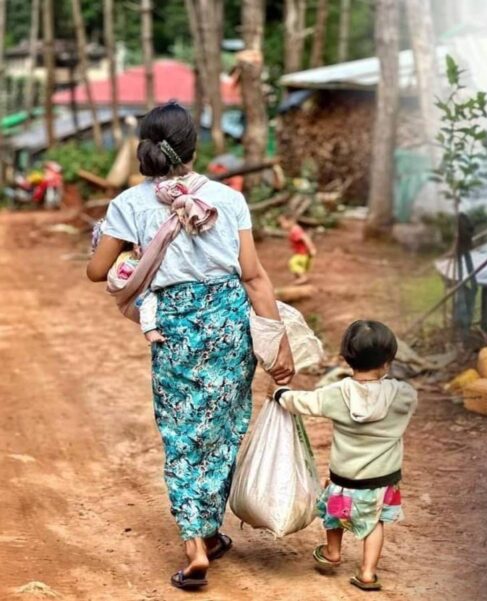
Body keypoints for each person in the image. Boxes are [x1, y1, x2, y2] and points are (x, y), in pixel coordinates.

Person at [86, 102, 295, 591]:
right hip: (229, 324)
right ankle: (208, 529)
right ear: (193, 147)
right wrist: (277, 343)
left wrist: (112, 242)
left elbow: (98, 272)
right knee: (223, 430)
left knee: (181, 433)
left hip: (175, 328)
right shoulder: (228, 198)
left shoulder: (129, 205)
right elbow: (254, 277)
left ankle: (195, 543)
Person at [273, 320, 417, 591]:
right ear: (388, 360)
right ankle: (367, 572)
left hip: (344, 478)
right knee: (374, 523)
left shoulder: (336, 394)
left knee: (334, 513)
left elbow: (304, 402)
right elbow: (410, 400)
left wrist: (282, 394)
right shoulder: (403, 395)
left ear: (347, 358)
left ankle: (332, 553)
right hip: (382, 480)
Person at [278, 213, 317, 285]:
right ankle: (299, 277)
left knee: (293, 263)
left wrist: (312, 248)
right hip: (302, 253)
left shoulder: (295, 230)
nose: (281, 225)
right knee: (298, 265)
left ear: (290, 221)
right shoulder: (294, 229)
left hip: (302, 253)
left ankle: (303, 277)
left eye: (283, 222)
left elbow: (305, 238)